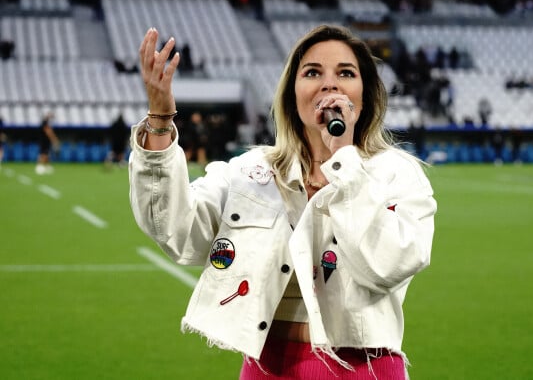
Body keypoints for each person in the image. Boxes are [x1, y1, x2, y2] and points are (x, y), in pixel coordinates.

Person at [129, 25, 436, 380]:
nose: (330, 84)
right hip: (268, 368)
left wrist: (345, 161)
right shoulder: (249, 172)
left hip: (365, 369)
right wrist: (160, 122)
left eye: (346, 73)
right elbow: (177, 233)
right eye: (312, 72)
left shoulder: (396, 173)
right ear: (293, 94)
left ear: (364, 95)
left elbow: (388, 265)